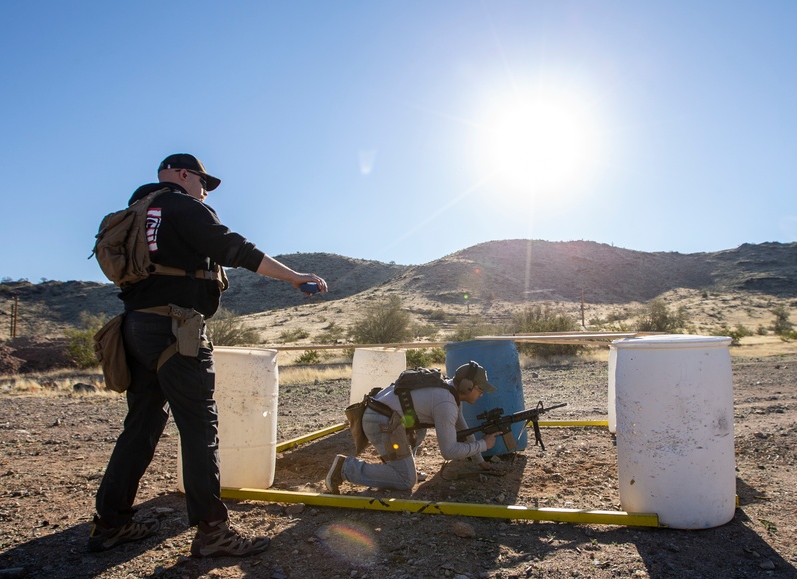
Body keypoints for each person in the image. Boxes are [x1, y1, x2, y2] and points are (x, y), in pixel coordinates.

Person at [89, 153, 328, 557]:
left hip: (134, 328)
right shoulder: (183, 205)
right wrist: (294, 277)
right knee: (200, 429)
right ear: (183, 174)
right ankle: (212, 532)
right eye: (203, 181)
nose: (204, 189)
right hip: (175, 329)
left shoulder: (137, 213)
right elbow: (235, 249)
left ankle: (111, 522)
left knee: (141, 426)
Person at [326, 361, 502, 493]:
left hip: (384, 417)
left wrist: (480, 461)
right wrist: (484, 445)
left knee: (420, 427)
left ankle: (398, 463)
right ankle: (345, 468)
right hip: (381, 421)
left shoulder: (450, 391)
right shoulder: (446, 402)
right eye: (480, 389)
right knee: (406, 480)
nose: (481, 394)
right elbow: (448, 451)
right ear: (467, 386)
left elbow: (461, 427)